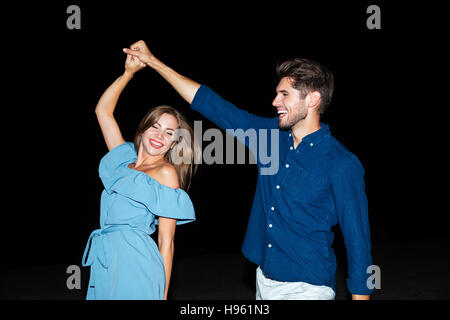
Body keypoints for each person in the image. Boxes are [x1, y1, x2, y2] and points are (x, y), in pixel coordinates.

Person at [123, 40, 373, 300]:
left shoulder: (342, 163)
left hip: (308, 287)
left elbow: (358, 243)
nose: (275, 100)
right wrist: (152, 61)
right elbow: (210, 103)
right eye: (277, 92)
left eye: (284, 94)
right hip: (263, 280)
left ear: (313, 99)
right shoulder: (269, 137)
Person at [81, 49, 199, 300]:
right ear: (143, 130)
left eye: (169, 133)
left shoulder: (166, 173)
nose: (159, 135)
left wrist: (163, 295)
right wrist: (128, 73)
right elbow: (103, 111)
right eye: (155, 127)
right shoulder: (122, 159)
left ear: (173, 143)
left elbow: (167, 243)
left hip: (137, 262)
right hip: (104, 260)